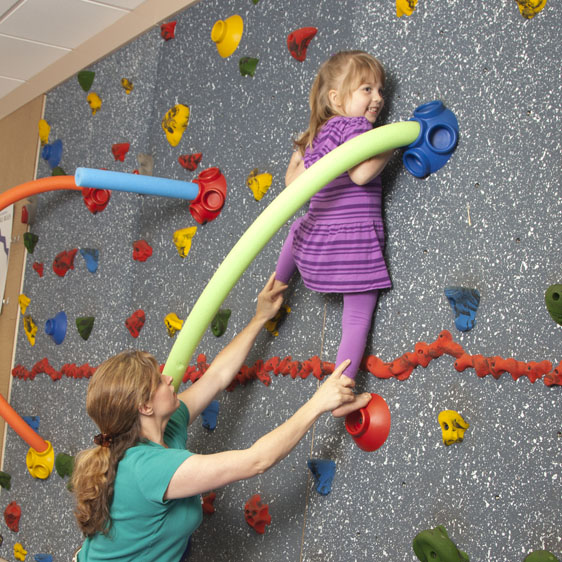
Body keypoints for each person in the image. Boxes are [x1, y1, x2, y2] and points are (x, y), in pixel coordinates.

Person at [71, 273, 371, 561]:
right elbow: (256, 461)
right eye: (157, 381)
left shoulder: (164, 426)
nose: (168, 378)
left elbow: (216, 376)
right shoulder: (147, 469)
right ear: (144, 408)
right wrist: (318, 403)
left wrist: (260, 317)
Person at [275, 50, 395, 380]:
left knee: (298, 226)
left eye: (380, 90)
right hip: (354, 241)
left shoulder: (316, 135)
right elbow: (360, 174)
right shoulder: (354, 126)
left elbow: (292, 185)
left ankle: (276, 285)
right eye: (367, 89)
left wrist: (301, 150)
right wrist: (391, 142)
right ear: (336, 97)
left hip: (319, 242)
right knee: (356, 319)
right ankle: (341, 388)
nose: (378, 98)